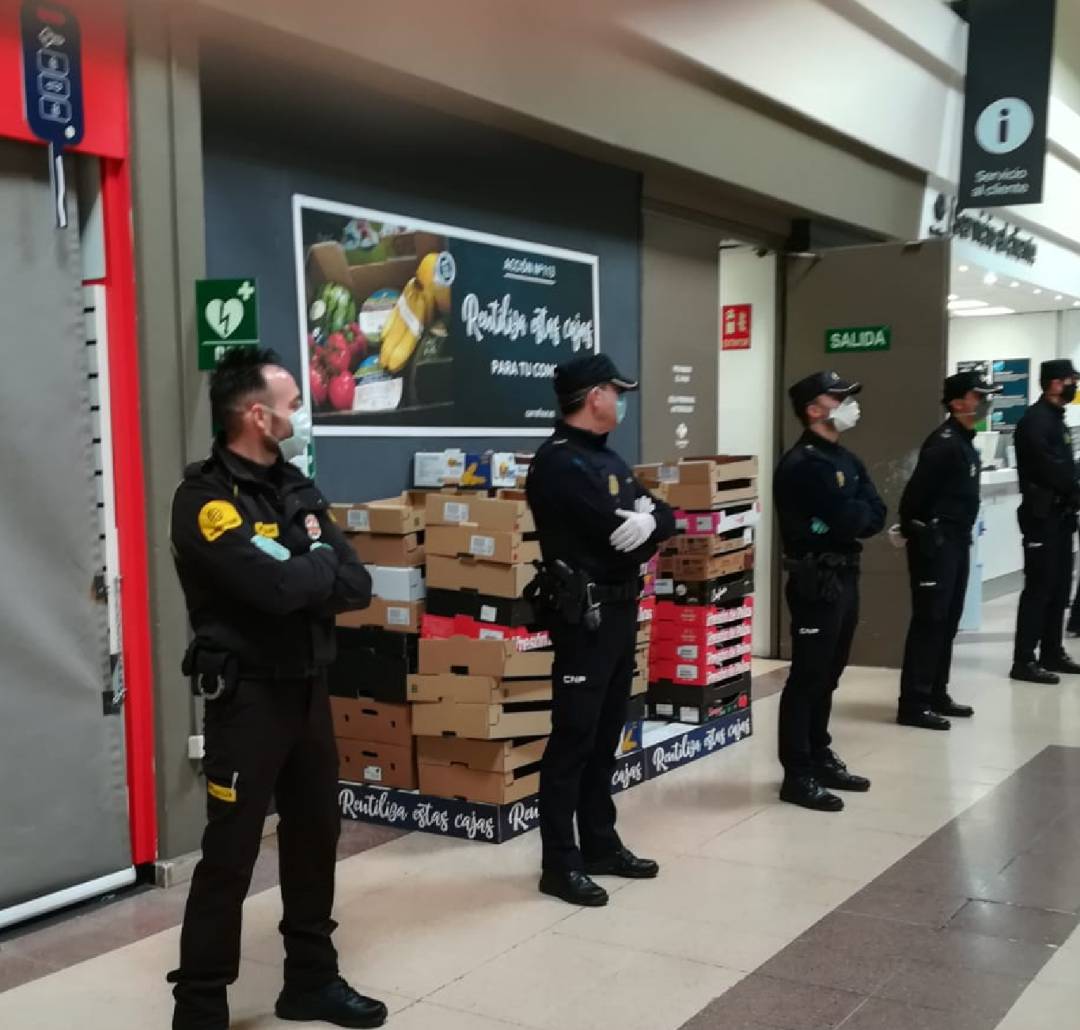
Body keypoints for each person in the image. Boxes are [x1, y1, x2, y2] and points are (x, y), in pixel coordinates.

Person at [168, 349, 386, 1030]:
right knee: (230, 855)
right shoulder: (205, 501)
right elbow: (273, 587)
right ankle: (200, 1005)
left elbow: (356, 584)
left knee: (316, 835)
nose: (300, 415)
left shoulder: (297, 487)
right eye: (292, 404)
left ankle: (310, 982)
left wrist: (304, 567)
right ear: (256, 415)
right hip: (247, 702)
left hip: (308, 694)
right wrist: (309, 564)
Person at [525, 353, 677, 907]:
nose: (621, 400)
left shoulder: (605, 457)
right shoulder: (561, 463)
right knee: (573, 741)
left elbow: (662, 514)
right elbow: (621, 528)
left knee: (605, 735)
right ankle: (558, 862)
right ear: (594, 396)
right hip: (583, 618)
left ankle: (599, 843)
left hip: (617, 612)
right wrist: (643, 520)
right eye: (617, 391)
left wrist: (651, 519)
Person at [774, 371, 886, 812]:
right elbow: (847, 520)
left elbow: (875, 514)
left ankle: (820, 754)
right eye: (837, 397)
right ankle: (796, 773)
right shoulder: (803, 464)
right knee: (808, 676)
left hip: (846, 574)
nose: (847, 403)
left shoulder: (847, 460)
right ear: (813, 409)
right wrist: (848, 516)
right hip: (814, 579)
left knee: (831, 673)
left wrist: (849, 515)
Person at [896, 371, 1002, 730]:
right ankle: (914, 702)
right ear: (957, 402)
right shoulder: (943, 444)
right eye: (978, 396)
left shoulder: (964, 440)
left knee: (948, 619)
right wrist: (925, 536)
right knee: (930, 622)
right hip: (936, 545)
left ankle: (936, 692)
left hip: (956, 542)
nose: (984, 402)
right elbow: (912, 504)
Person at [1010, 359, 1080, 684]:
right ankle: (1024, 660)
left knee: (1059, 586)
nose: (1073, 385)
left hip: (1061, 517)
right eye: (1069, 380)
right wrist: (1074, 486)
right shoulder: (1035, 422)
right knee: (1039, 588)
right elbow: (1050, 468)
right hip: (1042, 517)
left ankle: (1051, 651)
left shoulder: (1057, 420)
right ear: (1053, 383)